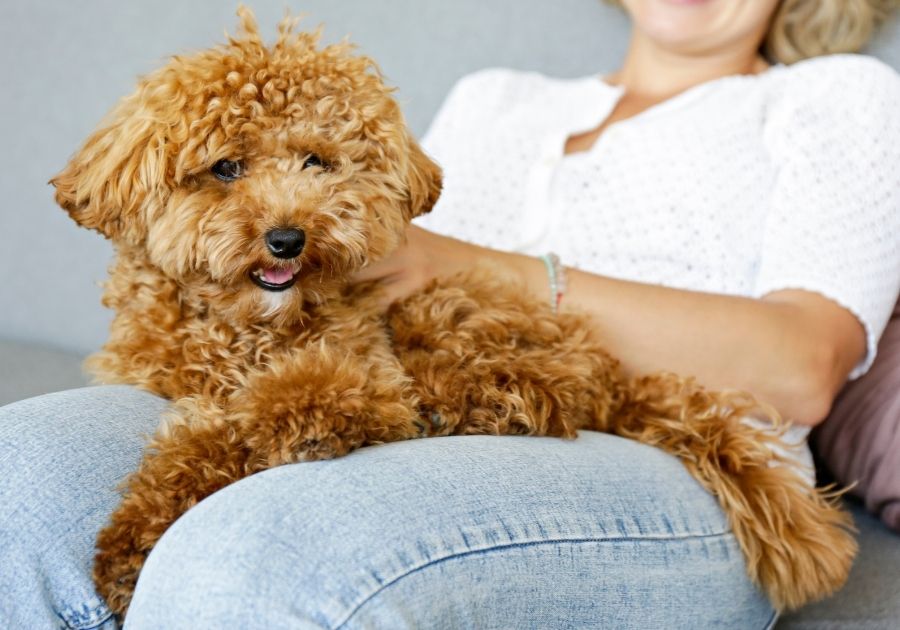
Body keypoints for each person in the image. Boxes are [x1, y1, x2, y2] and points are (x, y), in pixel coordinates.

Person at [1, 0, 898, 627]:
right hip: (389, 404)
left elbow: (804, 366)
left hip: (657, 458)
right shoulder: (494, 97)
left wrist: (477, 266)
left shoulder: (834, 96)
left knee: (254, 551)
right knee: (20, 478)